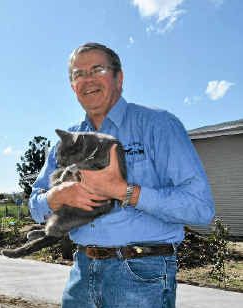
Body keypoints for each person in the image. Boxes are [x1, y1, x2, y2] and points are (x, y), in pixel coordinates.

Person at [29, 42, 215, 307]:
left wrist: (124, 191)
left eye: (97, 69)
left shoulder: (158, 125)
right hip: (82, 273)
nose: (87, 80)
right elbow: (35, 205)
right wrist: (56, 196)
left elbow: (200, 208)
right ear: (72, 86)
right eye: (78, 74)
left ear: (119, 78)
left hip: (141, 273)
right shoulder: (65, 142)